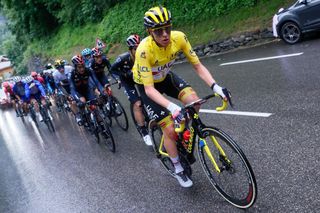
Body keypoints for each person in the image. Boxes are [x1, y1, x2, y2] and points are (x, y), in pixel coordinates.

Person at [132, 6, 231, 188]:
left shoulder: (179, 37)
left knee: (194, 101)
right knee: (169, 129)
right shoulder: (144, 50)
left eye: (168, 28)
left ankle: (183, 131)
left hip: (165, 77)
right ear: (149, 32)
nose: (165, 34)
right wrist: (172, 108)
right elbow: (149, 90)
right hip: (147, 86)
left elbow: (198, 66)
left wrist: (216, 86)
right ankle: (177, 167)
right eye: (159, 31)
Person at [110, 34, 152, 146]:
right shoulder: (123, 58)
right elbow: (112, 69)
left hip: (139, 79)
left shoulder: (144, 55)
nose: (138, 50)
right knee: (137, 104)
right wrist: (124, 74)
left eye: (140, 47)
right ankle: (144, 132)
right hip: (127, 81)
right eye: (135, 48)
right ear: (130, 50)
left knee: (150, 95)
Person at [69, 55, 103, 125]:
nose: (82, 69)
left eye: (83, 66)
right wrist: (78, 99)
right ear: (75, 67)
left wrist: (101, 91)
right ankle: (81, 116)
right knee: (83, 102)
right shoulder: (72, 74)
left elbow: (96, 81)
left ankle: (101, 125)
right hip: (78, 92)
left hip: (87, 89)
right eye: (79, 67)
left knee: (94, 105)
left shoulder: (88, 70)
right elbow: (72, 88)